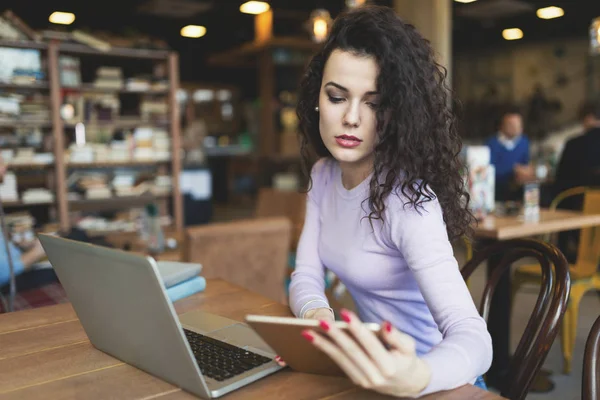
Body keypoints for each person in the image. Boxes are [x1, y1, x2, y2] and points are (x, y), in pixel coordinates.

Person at [282, 5, 492, 398]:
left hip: (440, 382)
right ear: (317, 100)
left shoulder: (409, 201)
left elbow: (475, 338)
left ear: (396, 113)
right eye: (337, 97)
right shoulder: (323, 176)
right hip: (374, 374)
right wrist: (319, 319)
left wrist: (419, 375)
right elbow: (306, 275)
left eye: (373, 103)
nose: (350, 118)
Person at [552, 99, 600, 263]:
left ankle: (560, 260)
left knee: (562, 200)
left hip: (576, 213)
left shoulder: (574, 144)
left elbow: (559, 181)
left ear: (587, 118)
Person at [485, 107, 535, 201]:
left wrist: (527, 171)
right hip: (497, 191)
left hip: (518, 190)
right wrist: (513, 170)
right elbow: (488, 170)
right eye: (511, 125)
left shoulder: (524, 142)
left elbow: (525, 164)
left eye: (518, 125)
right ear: (501, 126)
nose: (516, 128)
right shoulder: (492, 143)